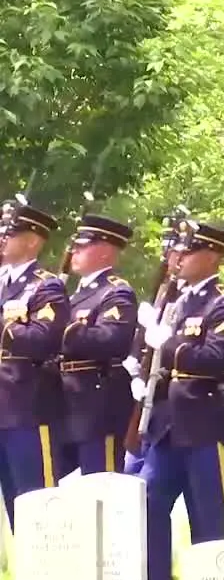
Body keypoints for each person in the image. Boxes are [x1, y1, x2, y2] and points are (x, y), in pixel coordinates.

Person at [136, 219, 224, 580]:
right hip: (168, 423)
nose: (178, 258)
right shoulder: (177, 300)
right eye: (178, 250)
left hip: (205, 418)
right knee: (148, 503)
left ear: (212, 256)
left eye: (188, 251)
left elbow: (218, 357)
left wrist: (169, 345)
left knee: (210, 511)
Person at [0, 200, 69, 526]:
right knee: (14, 509)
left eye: (10, 234)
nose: (2, 239)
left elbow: (44, 338)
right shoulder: (5, 283)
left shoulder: (46, 285)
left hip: (28, 407)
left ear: (32, 240)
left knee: (37, 505)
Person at [59, 215, 138, 475]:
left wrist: (61, 333)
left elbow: (111, 340)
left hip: (98, 404)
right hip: (66, 403)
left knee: (100, 488)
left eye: (83, 246)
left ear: (105, 252)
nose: (74, 251)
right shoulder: (73, 293)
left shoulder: (116, 292)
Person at [124, 221, 186, 476]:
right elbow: (144, 336)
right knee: (131, 473)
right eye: (171, 253)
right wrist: (134, 363)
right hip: (147, 392)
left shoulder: (185, 295)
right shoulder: (163, 291)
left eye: (179, 253)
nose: (174, 259)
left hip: (167, 395)